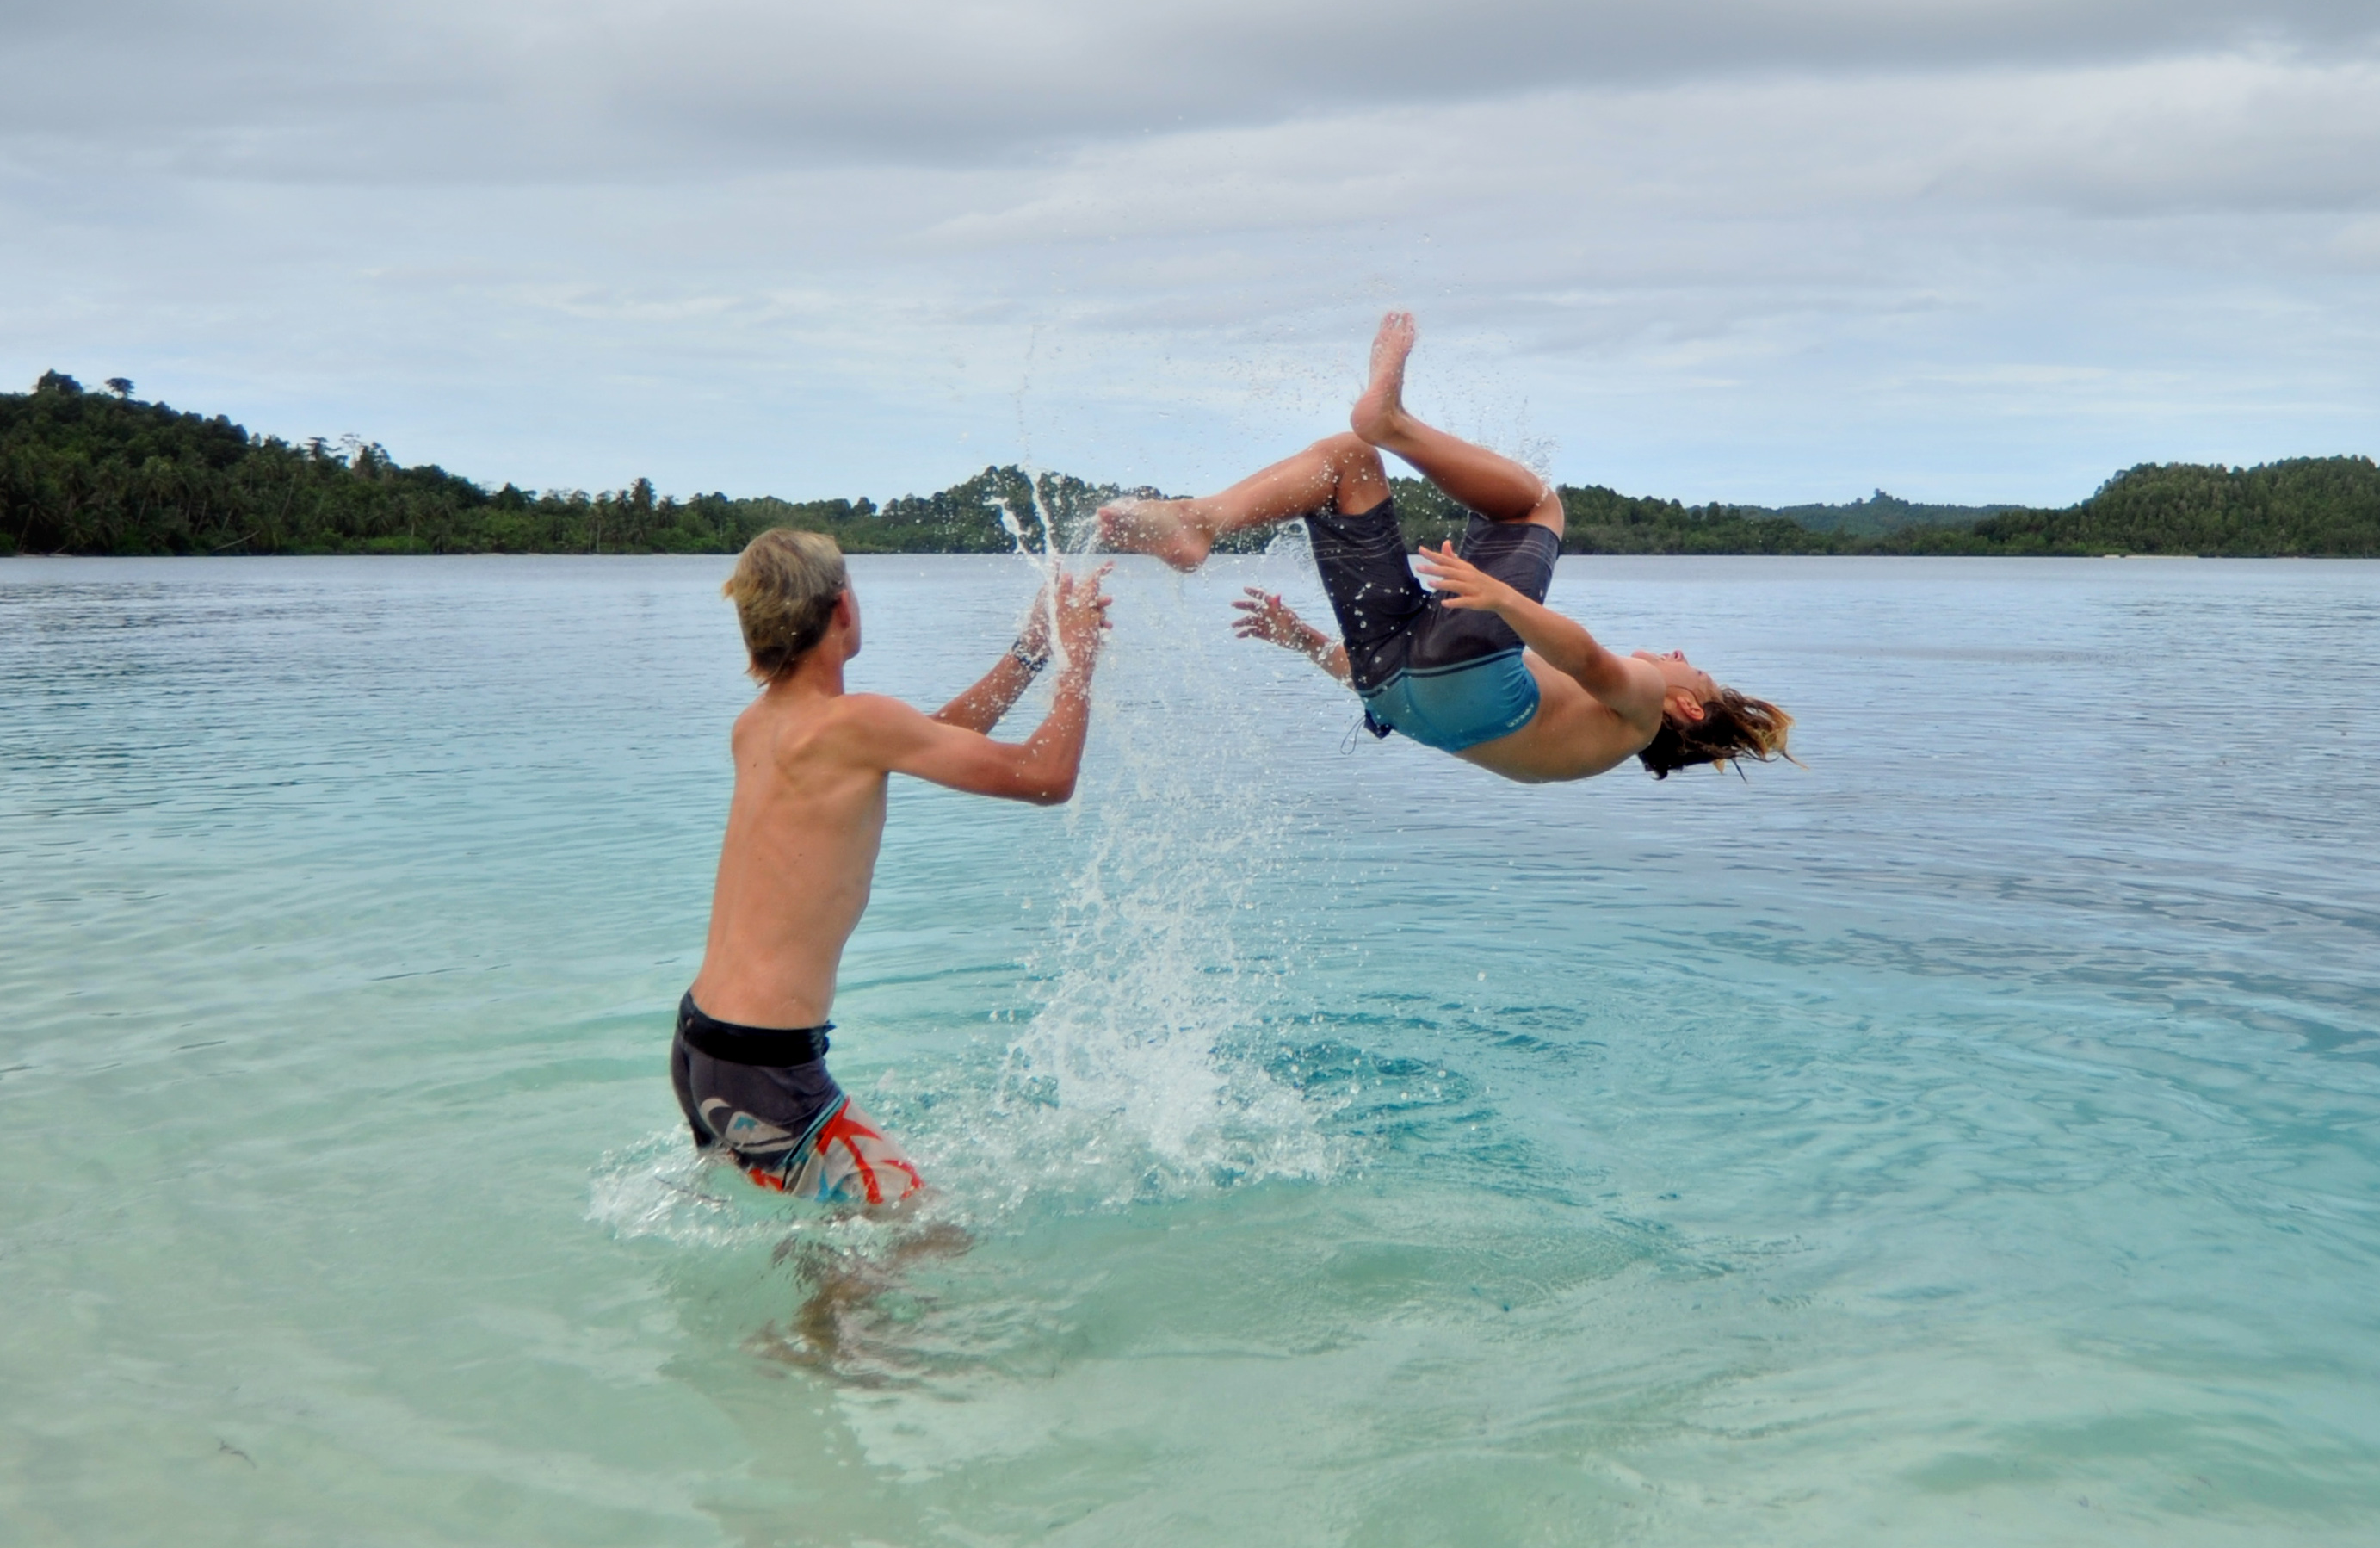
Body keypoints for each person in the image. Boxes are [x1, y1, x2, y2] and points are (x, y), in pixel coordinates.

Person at [1097, 312, 1790, 783]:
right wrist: (1301, 639)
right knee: (1345, 464)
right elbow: (1415, 686)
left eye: (1693, 670)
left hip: (1472, 674)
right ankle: (1198, 522)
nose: (1677, 656)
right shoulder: (1593, 740)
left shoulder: (1641, 706)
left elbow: (1582, 657)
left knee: (1537, 505)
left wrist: (1503, 600)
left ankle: (1392, 424)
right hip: (1395, 684)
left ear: (1686, 708)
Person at [673, 530, 1113, 1207]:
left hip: (702, 1047)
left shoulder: (760, 725)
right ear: (843, 608)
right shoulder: (857, 725)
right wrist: (1078, 661)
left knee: (841, 1235)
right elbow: (1047, 776)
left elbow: (929, 737)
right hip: (765, 1066)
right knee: (923, 1234)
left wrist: (1031, 651)